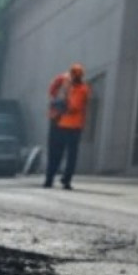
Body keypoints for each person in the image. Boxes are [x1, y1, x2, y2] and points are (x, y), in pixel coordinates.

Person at [44, 63, 90, 191]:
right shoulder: (81, 88)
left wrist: (59, 105)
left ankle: (51, 179)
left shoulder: (66, 83)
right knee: (69, 154)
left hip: (61, 123)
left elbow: (53, 93)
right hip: (69, 125)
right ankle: (63, 179)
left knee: (56, 153)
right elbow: (74, 106)